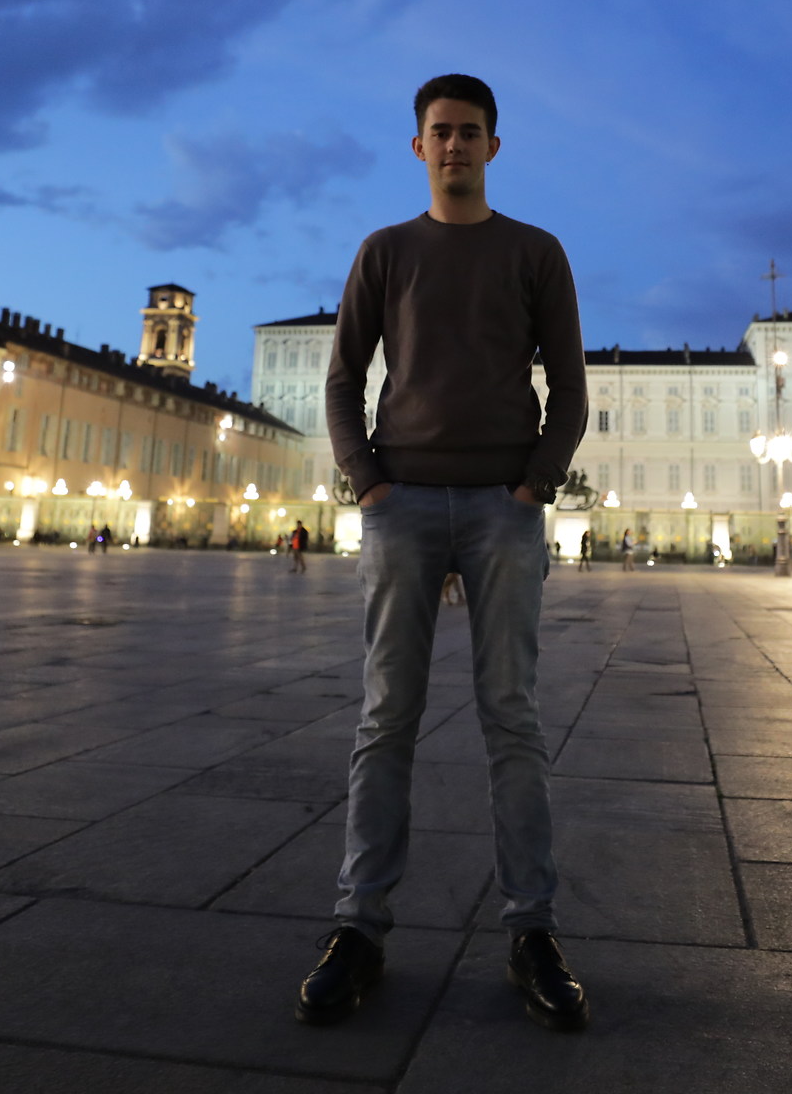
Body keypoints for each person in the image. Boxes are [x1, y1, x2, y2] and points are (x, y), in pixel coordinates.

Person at [297, 73, 589, 1034]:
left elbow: (572, 391)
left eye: (470, 133)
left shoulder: (535, 252)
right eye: (440, 133)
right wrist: (368, 485)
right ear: (417, 148)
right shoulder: (385, 252)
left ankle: (532, 930)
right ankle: (359, 928)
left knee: (513, 718)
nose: (455, 145)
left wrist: (532, 484)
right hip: (404, 504)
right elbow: (344, 380)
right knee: (387, 718)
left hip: (504, 506)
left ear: (493, 148)